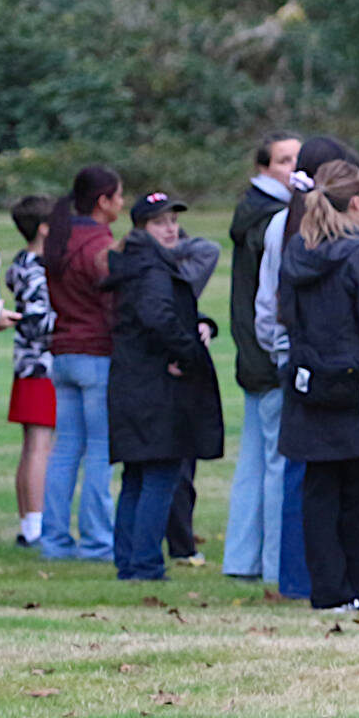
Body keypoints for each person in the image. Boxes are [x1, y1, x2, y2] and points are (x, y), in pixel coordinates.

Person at [277, 161, 359, 613]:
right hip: (358, 388)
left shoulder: (297, 253)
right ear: (357, 202)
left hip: (310, 380)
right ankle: (348, 586)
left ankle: (327, 590)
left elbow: (285, 315)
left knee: (319, 489)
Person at [104, 194, 224, 582]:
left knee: (137, 476)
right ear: (142, 228)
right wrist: (188, 354)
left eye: (173, 221)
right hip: (154, 386)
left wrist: (198, 324)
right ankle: (144, 564)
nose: (171, 228)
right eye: (160, 222)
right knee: (158, 474)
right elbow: (158, 317)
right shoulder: (151, 269)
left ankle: (129, 560)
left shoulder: (135, 264)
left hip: (133, 380)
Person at [222, 134, 298, 582]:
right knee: (274, 462)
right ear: (265, 168)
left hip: (253, 354)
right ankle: (274, 564)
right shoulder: (272, 218)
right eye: (285, 160)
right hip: (267, 356)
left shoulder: (251, 210)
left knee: (254, 461)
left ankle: (242, 559)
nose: (293, 167)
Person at [40, 166, 124, 562]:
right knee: (99, 452)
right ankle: (97, 542)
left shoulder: (61, 237)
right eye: (119, 196)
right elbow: (112, 303)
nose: (122, 204)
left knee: (65, 450)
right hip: (96, 354)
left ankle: (54, 540)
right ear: (103, 201)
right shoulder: (99, 246)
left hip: (63, 352)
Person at [158, 220, 222, 569]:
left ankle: (179, 542)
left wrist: (206, 323)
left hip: (184, 381)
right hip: (169, 379)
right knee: (175, 470)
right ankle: (179, 545)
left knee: (183, 466)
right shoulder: (156, 279)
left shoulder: (177, 283)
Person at [6, 196, 53, 547]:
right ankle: (36, 527)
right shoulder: (37, 268)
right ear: (44, 228)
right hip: (42, 365)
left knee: (30, 447)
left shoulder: (20, 264)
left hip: (25, 365)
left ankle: (28, 521)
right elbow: (39, 322)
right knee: (40, 446)